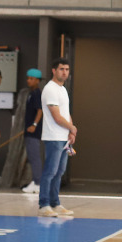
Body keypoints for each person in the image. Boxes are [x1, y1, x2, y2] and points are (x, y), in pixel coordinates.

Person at [39, 58, 76, 217]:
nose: (64, 72)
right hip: (53, 137)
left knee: (59, 171)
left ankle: (55, 203)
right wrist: (72, 127)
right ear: (54, 71)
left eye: (67, 69)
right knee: (50, 171)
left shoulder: (62, 89)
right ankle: (44, 205)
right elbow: (56, 116)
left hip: (63, 137)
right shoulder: (50, 89)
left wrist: (71, 132)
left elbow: (66, 113)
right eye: (61, 69)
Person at [21, 68, 43, 194]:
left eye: (31, 79)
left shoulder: (36, 94)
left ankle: (38, 183)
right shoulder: (30, 93)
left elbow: (40, 110)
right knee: (31, 156)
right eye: (28, 78)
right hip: (28, 130)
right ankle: (34, 181)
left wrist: (34, 124)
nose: (28, 81)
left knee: (34, 157)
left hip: (33, 131)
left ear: (37, 81)